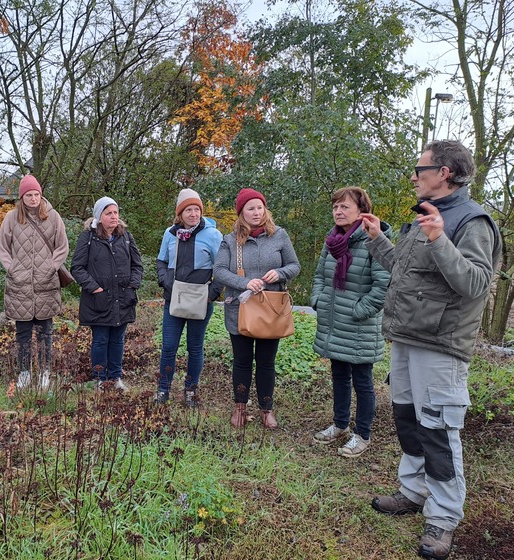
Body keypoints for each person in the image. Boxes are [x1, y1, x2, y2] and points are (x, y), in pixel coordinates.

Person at [361, 140, 501, 560]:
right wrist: (376, 239)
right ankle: (414, 491)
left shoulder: (473, 222)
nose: (413, 175)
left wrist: (441, 239)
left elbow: (476, 284)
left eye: (419, 168)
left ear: (444, 172)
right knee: (408, 419)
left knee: (439, 430)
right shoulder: (424, 216)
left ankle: (443, 518)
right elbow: (405, 273)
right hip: (406, 338)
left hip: (441, 346)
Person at [310, 187, 391, 457]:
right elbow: (320, 275)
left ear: (361, 211)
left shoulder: (374, 240)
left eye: (344, 207)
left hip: (359, 325)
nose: (338, 211)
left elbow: (383, 286)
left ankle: (362, 434)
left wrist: (359, 310)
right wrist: (317, 300)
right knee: (339, 376)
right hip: (335, 322)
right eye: (335, 207)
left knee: (363, 382)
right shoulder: (332, 240)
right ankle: (340, 424)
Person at [214, 188, 300, 429]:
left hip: (270, 309)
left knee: (266, 362)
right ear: (241, 213)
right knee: (241, 361)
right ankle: (240, 407)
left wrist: (280, 273)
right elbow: (219, 271)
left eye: (259, 207)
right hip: (239, 309)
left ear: (265, 209)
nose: (256, 212)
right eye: (250, 208)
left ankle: (266, 408)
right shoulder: (230, 240)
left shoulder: (279, 235)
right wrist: (244, 282)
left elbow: (294, 265)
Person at [0, 175, 69, 389]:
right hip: (20, 286)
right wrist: (13, 269)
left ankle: (45, 372)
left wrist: (51, 267)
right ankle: (25, 373)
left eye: (36, 194)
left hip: (46, 284)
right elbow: (2, 248)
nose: (33, 198)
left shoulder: (53, 217)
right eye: (29, 195)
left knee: (46, 332)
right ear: (22, 197)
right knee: (23, 333)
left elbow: (62, 246)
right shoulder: (11, 218)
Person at [155, 188, 223, 406]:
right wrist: (166, 282)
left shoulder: (212, 235)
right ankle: (163, 390)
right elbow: (161, 261)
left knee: (195, 347)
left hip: (200, 302)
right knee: (168, 347)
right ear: (180, 213)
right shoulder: (170, 234)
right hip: (173, 300)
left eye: (197, 209)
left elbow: (221, 267)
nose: (193, 214)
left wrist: (211, 294)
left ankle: (190, 391)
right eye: (188, 210)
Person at [71, 196, 143, 391]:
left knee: (118, 340)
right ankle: (100, 379)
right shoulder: (88, 237)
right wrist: (95, 288)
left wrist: (132, 286)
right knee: (101, 340)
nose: (113, 217)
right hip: (99, 300)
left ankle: (116, 378)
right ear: (99, 216)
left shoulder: (125, 236)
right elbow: (77, 268)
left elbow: (137, 265)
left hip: (123, 299)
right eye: (108, 213)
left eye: (115, 212)